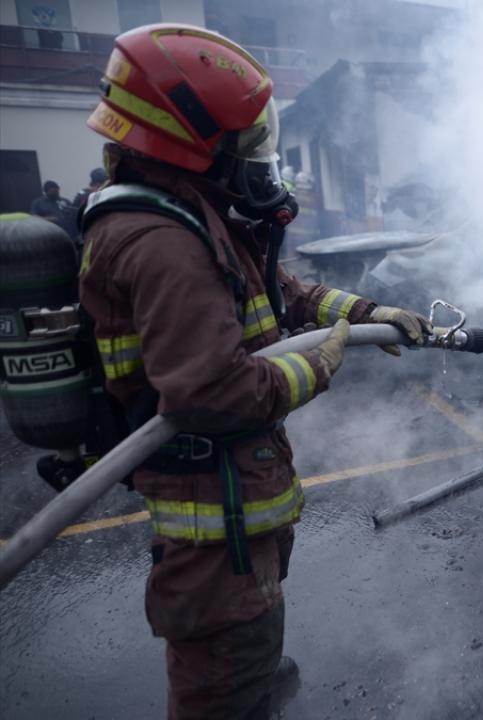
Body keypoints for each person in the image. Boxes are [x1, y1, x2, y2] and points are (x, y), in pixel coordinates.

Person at [78, 24, 433, 719]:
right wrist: (320, 367)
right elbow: (214, 391)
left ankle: (254, 674)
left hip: (241, 509)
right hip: (218, 528)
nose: (256, 156)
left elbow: (280, 291)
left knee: (249, 647)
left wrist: (367, 310)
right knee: (223, 679)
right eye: (243, 140)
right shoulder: (161, 241)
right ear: (189, 137)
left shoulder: (187, 213)